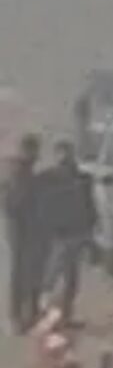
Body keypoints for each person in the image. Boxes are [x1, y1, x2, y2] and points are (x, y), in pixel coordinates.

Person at [34, 141, 94, 326]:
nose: (66, 156)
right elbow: (42, 205)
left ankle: (65, 316)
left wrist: (90, 223)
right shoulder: (48, 178)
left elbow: (88, 203)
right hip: (59, 233)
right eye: (62, 153)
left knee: (70, 278)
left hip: (77, 231)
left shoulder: (81, 177)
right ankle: (44, 314)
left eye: (68, 152)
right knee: (51, 276)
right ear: (56, 154)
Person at [3, 138, 41, 333]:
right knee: (20, 272)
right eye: (34, 151)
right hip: (20, 228)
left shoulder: (25, 170)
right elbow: (14, 202)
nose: (37, 155)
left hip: (26, 227)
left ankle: (26, 314)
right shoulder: (19, 171)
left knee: (27, 271)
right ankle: (16, 316)